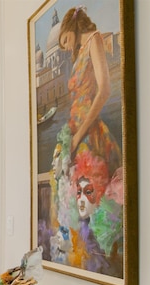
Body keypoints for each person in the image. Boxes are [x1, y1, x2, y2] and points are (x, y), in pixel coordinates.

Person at [58, 6, 121, 176]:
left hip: (87, 129)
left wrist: (78, 136)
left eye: (65, 40)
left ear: (71, 26)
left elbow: (105, 90)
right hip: (75, 128)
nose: (67, 47)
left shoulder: (94, 40)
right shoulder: (80, 52)